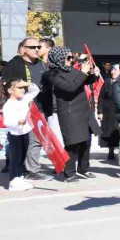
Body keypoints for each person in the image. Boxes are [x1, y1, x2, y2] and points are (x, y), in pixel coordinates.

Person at [44, 47, 100, 182]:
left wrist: (92, 73)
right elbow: (70, 88)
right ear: (59, 59)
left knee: (86, 141)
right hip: (69, 113)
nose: (71, 61)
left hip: (84, 111)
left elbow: (85, 81)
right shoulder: (53, 75)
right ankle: (69, 173)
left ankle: (84, 169)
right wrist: (82, 73)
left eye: (71, 58)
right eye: (68, 58)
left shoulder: (72, 70)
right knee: (72, 143)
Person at [1, 37, 53, 181]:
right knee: (20, 142)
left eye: (38, 46)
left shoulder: (43, 64)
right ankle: (22, 170)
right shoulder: (14, 64)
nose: (37, 49)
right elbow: (5, 84)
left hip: (40, 107)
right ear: (23, 49)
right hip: (22, 109)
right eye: (32, 47)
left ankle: (31, 170)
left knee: (36, 140)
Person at [2, 79, 40, 191]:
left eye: (23, 87)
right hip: (15, 134)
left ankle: (19, 177)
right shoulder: (8, 105)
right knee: (15, 158)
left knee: (23, 156)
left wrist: (28, 84)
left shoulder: (24, 99)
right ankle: (13, 180)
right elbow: (7, 122)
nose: (22, 89)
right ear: (10, 90)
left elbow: (35, 90)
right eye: (19, 87)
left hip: (24, 132)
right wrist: (17, 122)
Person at [98, 64, 120, 161]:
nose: (112, 72)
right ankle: (111, 152)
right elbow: (101, 97)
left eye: (115, 70)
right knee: (110, 132)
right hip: (109, 112)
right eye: (112, 70)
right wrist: (100, 111)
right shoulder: (107, 82)